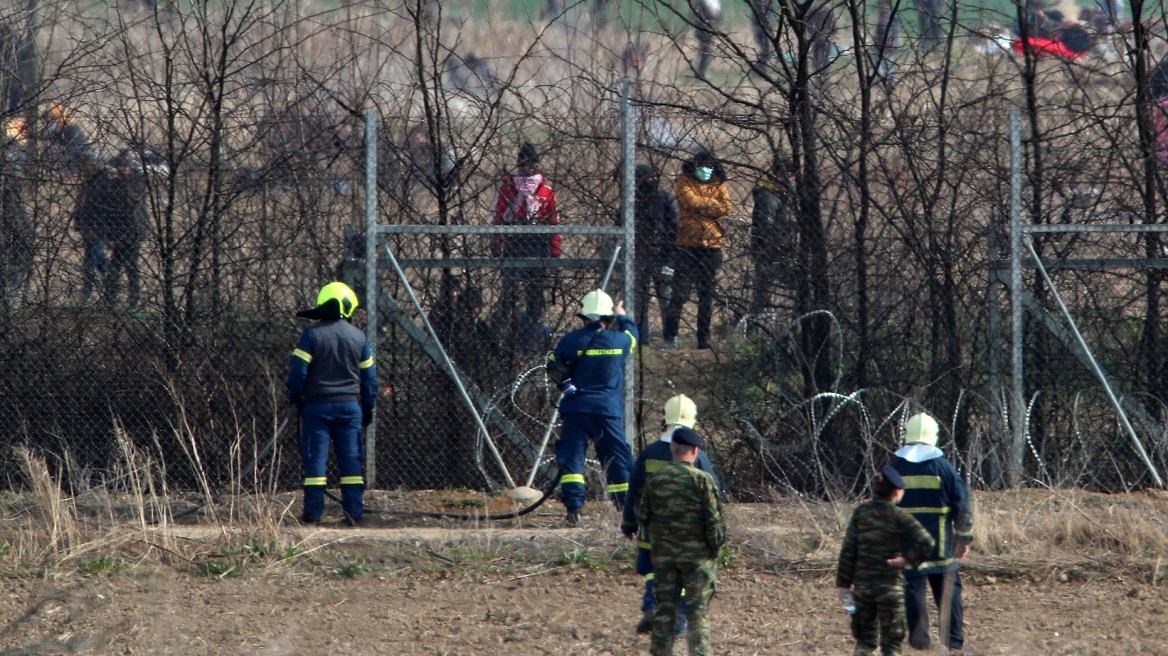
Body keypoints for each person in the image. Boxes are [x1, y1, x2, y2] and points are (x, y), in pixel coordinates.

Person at [622, 394, 720, 636]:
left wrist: (629, 524)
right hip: (687, 538)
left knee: (653, 573)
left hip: (651, 536)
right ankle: (678, 620)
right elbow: (714, 491)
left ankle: (652, 607)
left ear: (664, 418)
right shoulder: (698, 457)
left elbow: (634, 491)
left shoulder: (648, 454)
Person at [287, 282, 379, 525]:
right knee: (351, 460)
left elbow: (298, 373)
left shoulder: (312, 335)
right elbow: (370, 381)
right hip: (350, 408)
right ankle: (353, 514)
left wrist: (297, 397)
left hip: (316, 408)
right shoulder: (359, 338)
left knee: (315, 461)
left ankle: (313, 515)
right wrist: (367, 409)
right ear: (346, 305)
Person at [634, 426, 725, 656]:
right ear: (694, 451)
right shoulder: (702, 481)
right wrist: (715, 551)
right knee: (697, 615)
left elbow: (641, 515)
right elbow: (715, 524)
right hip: (697, 560)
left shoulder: (655, 480)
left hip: (664, 558)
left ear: (673, 450)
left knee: (665, 611)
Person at [549, 289, 637, 527]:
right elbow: (633, 336)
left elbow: (553, 365)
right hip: (607, 410)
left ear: (584, 316)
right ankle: (624, 508)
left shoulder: (570, 340)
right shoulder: (620, 341)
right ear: (607, 318)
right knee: (617, 459)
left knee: (572, 458)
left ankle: (574, 511)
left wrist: (567, 387)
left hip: (576, 408)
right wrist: (624, 317)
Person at [891, 412, 975, 652]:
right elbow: (962, 505)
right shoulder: (944, 467)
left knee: (913, 592)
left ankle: (919, 644)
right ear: (933, 437)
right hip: (941, 543)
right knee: (948, 593)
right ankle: (954, 643)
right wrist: (963, 537)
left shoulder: (894, 468)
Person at [836, 464, 936, 656]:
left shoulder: (861, 513)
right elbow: (927, 542)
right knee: (891, 645)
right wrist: (907, 560)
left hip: (863, 588)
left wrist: (843, 584)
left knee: (865, 642)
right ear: (897, 492)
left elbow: (849, 549)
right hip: (891, 587)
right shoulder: (900, 516)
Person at [492, 142, 561, 344]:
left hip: (538, 246)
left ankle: (531, 339)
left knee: (535, 298)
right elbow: (498, 216)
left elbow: (553, 222)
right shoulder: (508, 187)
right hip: (514, 245)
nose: (528, 170)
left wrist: (555, 251)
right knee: (509, 294)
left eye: (532, 165)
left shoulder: (546, 191)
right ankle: (499, 336)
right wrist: (497, 244)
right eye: (524, 165)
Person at [662, 150, 731, 350]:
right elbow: (688, 201)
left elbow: (727, 207)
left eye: (709, 167)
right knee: (679, 293)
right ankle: (671, 336)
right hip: (687, 245)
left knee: (706, 295)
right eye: (702, 166)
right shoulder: (684, 180)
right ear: (695, 166)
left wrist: (702, 207)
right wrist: (712, 204)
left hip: (712, 246)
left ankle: (703, 338)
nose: (705, 171)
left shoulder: (719, 182)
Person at [628, 163, 679, 344]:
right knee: (640, 302)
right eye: (647, 178)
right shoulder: (632, 202)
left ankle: (670, 338)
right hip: (639, 257)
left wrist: (672, 261)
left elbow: (675, 230)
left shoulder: (665, 200)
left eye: (654, 177)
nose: (652, 181)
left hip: (662, 257)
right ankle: (642, 341)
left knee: (666, 298)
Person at [748, 157, 796, 322]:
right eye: (791, 175)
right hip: (770, 253)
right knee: (762, 293)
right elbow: (765, 228)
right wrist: (778, 244)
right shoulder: (768, 198)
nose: (793, 180)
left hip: (780, 251)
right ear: (781, 175)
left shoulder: (782, 196)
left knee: (763, 293)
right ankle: (750, 326)